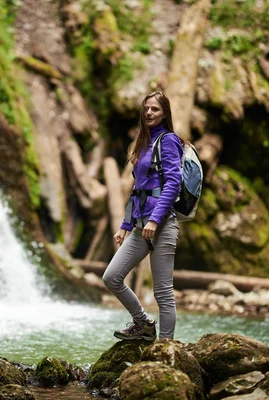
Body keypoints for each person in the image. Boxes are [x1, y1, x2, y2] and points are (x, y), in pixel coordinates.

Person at [102, 91, 183, 341]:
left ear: (165, 113)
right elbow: (139, 190)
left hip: (162, 226)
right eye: (146, 108)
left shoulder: (169, 140)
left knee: (163, 293)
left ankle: (165, 347)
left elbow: (173, 183)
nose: (149, 113)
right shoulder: (143, 143)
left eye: (155, 109)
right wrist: (125, 225)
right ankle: (143, 324)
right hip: (140, 229)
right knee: (112, 277)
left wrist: (155, 219)